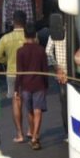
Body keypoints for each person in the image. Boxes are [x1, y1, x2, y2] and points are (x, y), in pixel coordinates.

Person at [16, 23, 49, 151]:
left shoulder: (20, 51)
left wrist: (16, 89)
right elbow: (45, 69)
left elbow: (19, 72)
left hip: (25, 86)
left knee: (30, 111)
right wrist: (46, 86)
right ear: (35, 35)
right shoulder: (41, 50)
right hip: (39, 84)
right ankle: (35, 136)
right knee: (38, 110)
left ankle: (34, 135)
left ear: (24, 36)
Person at [0, 10, 28, 105]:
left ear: (13, 22)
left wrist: (7, 61)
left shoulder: (5, 38)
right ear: (25, 21)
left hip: (11, 72)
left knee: (14, 99)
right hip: (27, 73)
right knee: (27, 99)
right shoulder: (31, 37)